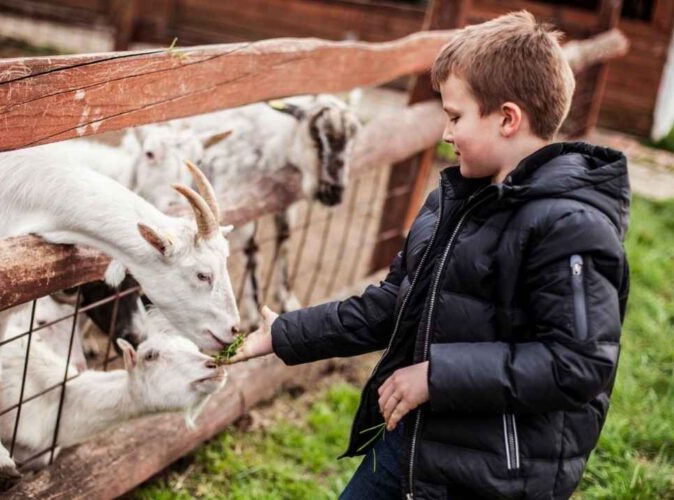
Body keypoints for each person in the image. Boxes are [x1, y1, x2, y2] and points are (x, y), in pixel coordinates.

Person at [231, 10, 631, 499]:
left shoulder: (571, 227)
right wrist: (286, 333)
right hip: (412, 443)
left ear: (507, 119)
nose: (445, 132)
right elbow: (395, 304)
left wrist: (436, 377)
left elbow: (577, 363)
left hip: (496, 475)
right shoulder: (455, 200)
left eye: (455, 117)